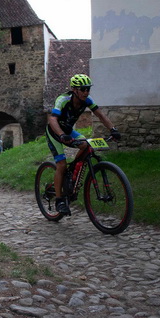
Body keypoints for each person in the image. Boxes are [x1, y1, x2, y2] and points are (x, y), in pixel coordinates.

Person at [45, 74, 121, 215]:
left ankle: (72, 171)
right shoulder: (63, 100)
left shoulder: (87, 100)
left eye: (88, 89)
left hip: (68, 131)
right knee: (61, 164)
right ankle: (59, 201)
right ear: (75, 90)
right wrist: (61, 135)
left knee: (85, 145)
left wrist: (113, 129)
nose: (86, 92)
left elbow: (100, 115)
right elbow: (53, 119)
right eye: (83, 89)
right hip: (55, 132)